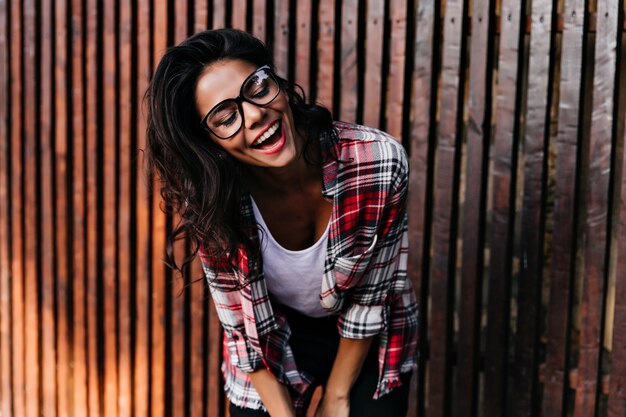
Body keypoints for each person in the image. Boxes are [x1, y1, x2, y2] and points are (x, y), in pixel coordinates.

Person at [145, 28, 418, 417]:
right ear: (210, 142)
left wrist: (337, 397)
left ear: (279, 84)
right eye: (225, 116)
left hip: (369, 332)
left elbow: (373, 296)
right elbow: (239, 327)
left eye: (257, 87)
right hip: (271, 334)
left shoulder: (378, 163)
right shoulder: (212, 202)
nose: (255, 114)